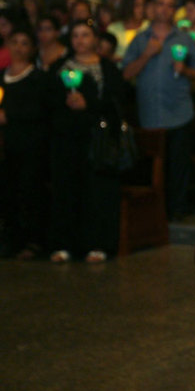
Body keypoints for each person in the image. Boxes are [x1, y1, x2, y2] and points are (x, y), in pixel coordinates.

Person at [48, 20, 126, 263]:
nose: (80, 40)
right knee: (66, 191)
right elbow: (47, 101)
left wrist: (89, 104)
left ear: (95, 38)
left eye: (85, 35)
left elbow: (118, 104)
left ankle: (98, 244)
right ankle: (64, 245)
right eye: (75, 35)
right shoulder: (59, 67)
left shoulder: (108, 68)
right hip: (67, 140)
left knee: (98, 192)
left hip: (98, 141)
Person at [122, 0, 195, 220]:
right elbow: (126, 74)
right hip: (150, 112)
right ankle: (152, 214)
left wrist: (185, 70)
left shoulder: (184, 39)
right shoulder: (141, 39)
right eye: (160, 3)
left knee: (179, 165)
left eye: (170, 5)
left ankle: (176, 211)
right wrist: (147, 54)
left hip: (179, 111)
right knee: (152, 168)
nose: (164, 9)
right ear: (152, 7)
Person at [0, 28, 50, 259]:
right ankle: (11, 239)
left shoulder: (37, 78)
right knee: (8, 192)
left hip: (30, 145)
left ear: (31, 49)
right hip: (6, 145)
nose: (18, 48)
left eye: (24, 43)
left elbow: (39, 110)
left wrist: (9, 115)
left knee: (29, 193)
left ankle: (33, 241)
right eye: (14, 42)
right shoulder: (2, 76)